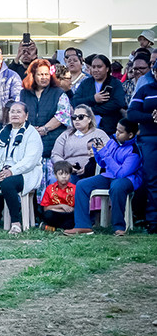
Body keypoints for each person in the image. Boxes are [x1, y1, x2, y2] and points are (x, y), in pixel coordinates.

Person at [0, 100, 43, 235]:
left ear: (26, 116)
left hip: (25, 173)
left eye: (19, 112)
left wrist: (11, 171)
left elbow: (30, 160)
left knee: (8, 183)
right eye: (12, 111)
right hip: (1, 171)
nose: (15, 114)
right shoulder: (2, 133)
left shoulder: (32, 134)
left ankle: (16, 223)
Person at [64, 118, 142, 236]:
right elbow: (102, 164)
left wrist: (105, 153)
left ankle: (118, 227)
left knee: (117, 186)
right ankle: (83, 225)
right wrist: (97, 150)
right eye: (116, 130)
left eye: (121, 132)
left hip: (127, 180)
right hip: (109, 176)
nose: (117, 133)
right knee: (82, 184)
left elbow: (120, 174)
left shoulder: (134, 152)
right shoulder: (113, 141)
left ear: (130, 135)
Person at [127, 60, 157, 234]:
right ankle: (153, 221)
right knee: (152, 180)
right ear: (153, 72)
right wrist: (151, 117)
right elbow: (132, 113)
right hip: (149, 138)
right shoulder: (145, 90)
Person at [20, 59, 71, 159]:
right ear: (33, 75)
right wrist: (30, 129)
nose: (44, 77)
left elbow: (62, 116)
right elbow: (19, 113)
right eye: (40, 74)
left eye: (46, 74)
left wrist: (44, 129)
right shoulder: (23, 93)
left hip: (53, 143)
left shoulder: (59, 93)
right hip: (28, 142)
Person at [50, 104, 110, 184]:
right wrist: (67, 166)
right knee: (54, 180)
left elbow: (108, 153)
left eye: (81, 117)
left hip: (92, 172)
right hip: (69, 172)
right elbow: (55, 155)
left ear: (89, 119)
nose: (77, 120)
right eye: (74, 117)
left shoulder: (99, 134)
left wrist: (88, 169)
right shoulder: (65, 135)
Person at [71, 54, 126, 136]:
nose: (96, 70)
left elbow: (118, 103)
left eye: (99, 67)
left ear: (107, 68)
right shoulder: (86, 83)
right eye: (93, 67)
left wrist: (92, 110)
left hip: (109, 129)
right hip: (87, 129)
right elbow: (75, 101)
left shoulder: (115, 83)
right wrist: (93, 99)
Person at [40, 160, 76, 231]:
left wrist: (68, 210)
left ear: (70, 175)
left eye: (67, 174)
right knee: (47, 215)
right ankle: (58, 227)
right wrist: (62, 206)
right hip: (55, 214)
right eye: (61, 174)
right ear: (56, 176)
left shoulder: (75, 188)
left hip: (68, 215)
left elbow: (76, 208)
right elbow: (46, 208)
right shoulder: (50, 188)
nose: (64, 176)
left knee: (74, 218)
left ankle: (53, 228)